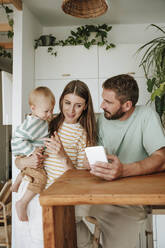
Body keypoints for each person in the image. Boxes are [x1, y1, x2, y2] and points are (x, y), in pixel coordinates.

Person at [76, 74, 165, 248]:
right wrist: (91, 162)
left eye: (108, 102)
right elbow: (100, 156)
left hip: (131, 200)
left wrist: (124, 170)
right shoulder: (103, 119)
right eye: (103, 100)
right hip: (99, 193)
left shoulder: (146, 115)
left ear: (127, 105)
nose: (102, 105)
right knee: (63, 213)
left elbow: (161, 159)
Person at [13, 80, 97, 248]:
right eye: (67, 103)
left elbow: (79, 179)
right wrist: (26, 160)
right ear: (60, 101)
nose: (71, 110)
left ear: (85, 106)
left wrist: (63, 155)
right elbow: (18, 158)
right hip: (34, 191)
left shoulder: (84, 135)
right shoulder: (47, 123)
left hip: (57, 195)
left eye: (78, 105)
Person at [11, 86, 55, 221]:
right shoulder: (33, 123)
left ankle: (17, 181)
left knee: (34, 171)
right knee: (41, 178)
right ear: (33, 108)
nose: (49, 114)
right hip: (26, 154)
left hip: (28, 156)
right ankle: (22, 203)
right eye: (46, 111)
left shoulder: (40, 120)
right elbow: (16, 138)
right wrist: (31, 151)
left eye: (51, 110)